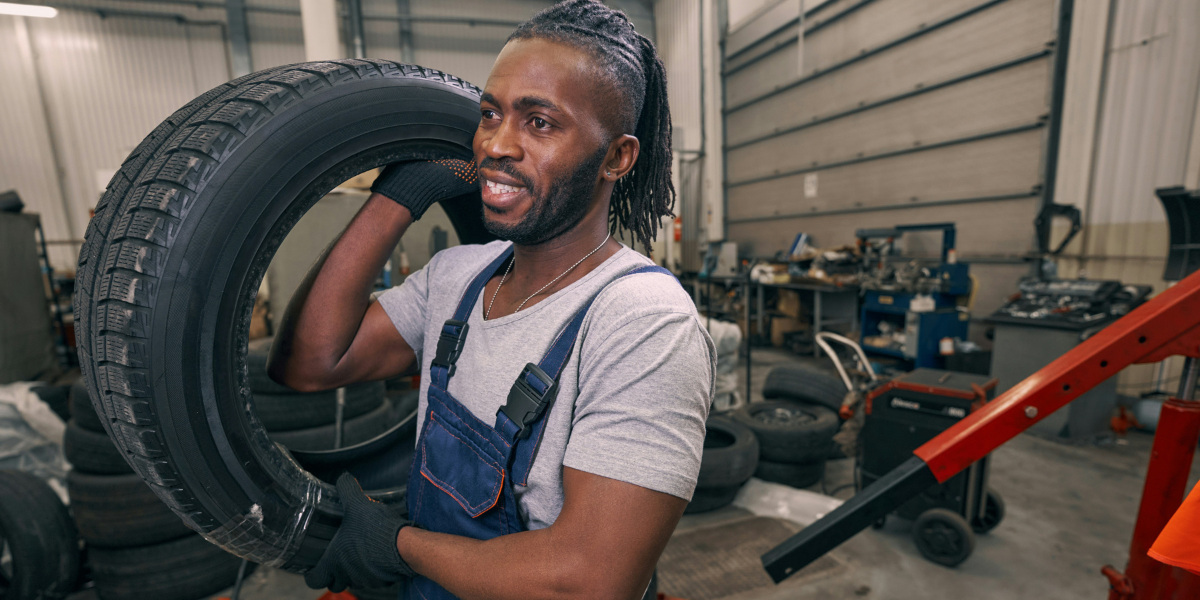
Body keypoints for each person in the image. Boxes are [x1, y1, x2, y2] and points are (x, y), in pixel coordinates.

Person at [267, 1, 715, 598]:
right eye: (489, 113)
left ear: (617, 157)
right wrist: (398, 196)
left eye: (540, 123)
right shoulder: (457, 276)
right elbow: (308, 363)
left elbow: (591, 581)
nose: (496, 144)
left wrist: (400, 546)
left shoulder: (643, 322)